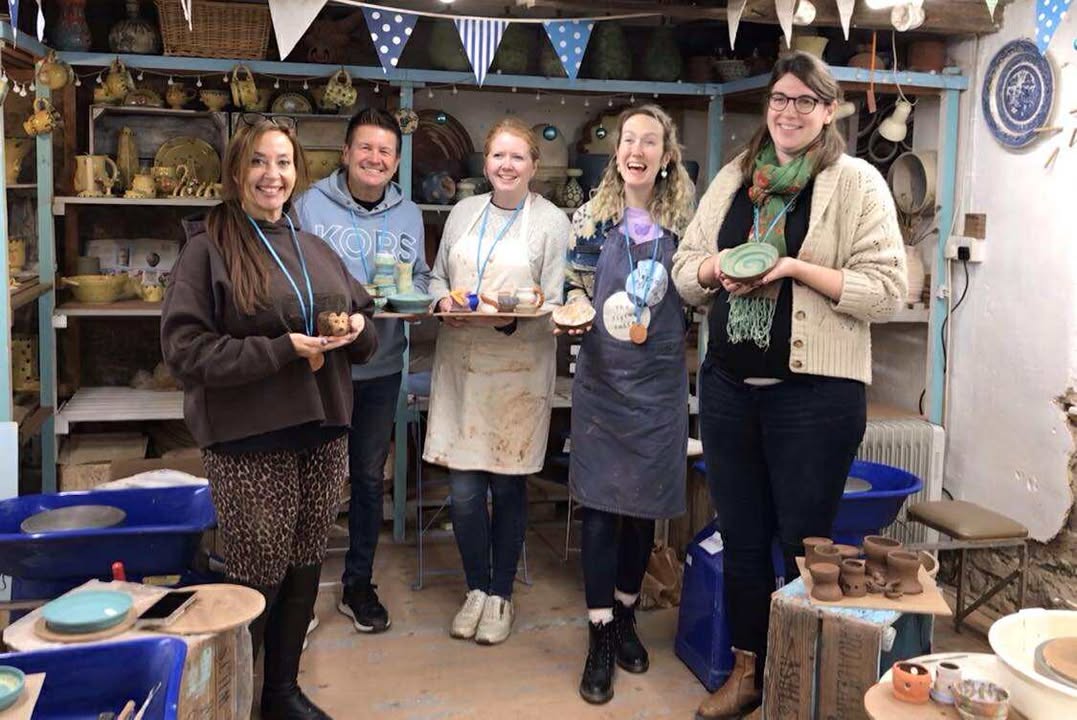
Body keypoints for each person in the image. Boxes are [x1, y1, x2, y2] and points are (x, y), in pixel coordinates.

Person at [671, 52, 906, 719]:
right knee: (743, 538)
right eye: (780, 97)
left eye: (806, 100)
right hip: (727, 389)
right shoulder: (733, 177)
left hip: (814, 398)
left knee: (807, 542)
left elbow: (887, 290)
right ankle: (747, 673)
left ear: (828, 111)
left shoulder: (854, 182)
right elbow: (684, 272)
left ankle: (799, 679)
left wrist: (795, 269)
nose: (788, 111)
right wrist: (718, 268)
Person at [161, 116, 378, 720]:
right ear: (236, 171)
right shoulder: (207, 249)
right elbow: (185, 350)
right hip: (250, 437)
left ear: (296, 175)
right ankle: (227, 700)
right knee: (258, 571)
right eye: (258, 161)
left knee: (306, 560)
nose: (272, 175)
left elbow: (364, 326)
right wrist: (283, 349)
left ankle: (280, 693)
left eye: (283, 163)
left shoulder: (314, 249)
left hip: (323, 427)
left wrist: (359, 330)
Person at [561, 105, 696, 704]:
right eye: (627, 141)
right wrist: (568, 311)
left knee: (644, 511)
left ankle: (625, 618)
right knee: (599, 509)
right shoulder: (591, 222)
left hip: (660, 384)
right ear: (616, 153)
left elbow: (697, 295)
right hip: (603, 387)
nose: (636, 150)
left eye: (650, 141)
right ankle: (597, 636)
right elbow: (572, 286)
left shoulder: (688, 227)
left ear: (667, 156)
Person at [424, 117, 570, 646]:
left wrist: (510, 318)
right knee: (463, 492)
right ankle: (476, 590)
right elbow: (437, 276)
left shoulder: (552, 223)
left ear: (534, 165)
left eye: (518, 158)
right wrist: (442, 301)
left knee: (508, 486)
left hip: (519, 371)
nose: (506, 166)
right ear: (485, 164)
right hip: (461, 363)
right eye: (497, 157)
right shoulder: (463, 213)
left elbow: (558, 299)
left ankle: (502, 593)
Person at [294, 107, 430, 634]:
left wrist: (415, 299)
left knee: (369, 480)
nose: (375, 159)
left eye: (386, 152)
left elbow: (417, 275)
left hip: (381, 366)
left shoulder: (409, 214)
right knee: (314, 480)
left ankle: (357, 584)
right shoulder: (309, 206)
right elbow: (292, 278)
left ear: (395, 163)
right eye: (365, 149)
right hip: (321, 368)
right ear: (346, 153)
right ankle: (300, 597)